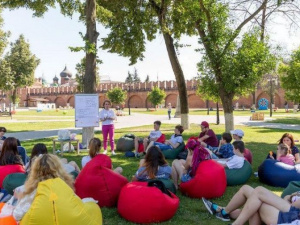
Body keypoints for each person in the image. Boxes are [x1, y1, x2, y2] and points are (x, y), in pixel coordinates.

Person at [12, 154, 76, 222]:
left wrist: (19, 199)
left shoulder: (34, 191)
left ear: (35, 171)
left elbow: (17, 215)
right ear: (59, 169)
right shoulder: (65, 187)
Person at [202, 185, 300, 224]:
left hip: (292, 217)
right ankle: (224, 211)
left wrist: (291, 197)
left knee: (257, 193)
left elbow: (294, 204)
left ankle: (225, 213)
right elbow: (289, 198)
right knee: (250, 193)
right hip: (292, 211)